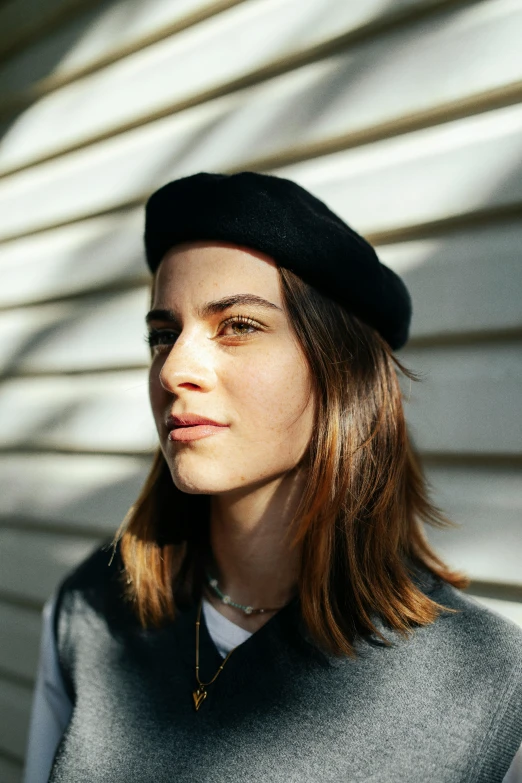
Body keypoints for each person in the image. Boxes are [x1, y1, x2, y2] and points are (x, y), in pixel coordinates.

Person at [23, 172, 522, 782]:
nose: (174, 368)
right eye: (162, 334)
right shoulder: (90, 611)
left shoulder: (490, 689)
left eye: (238, 326)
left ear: (341, 370)